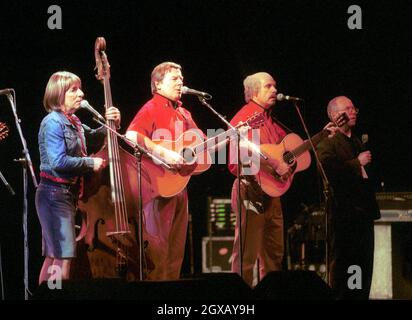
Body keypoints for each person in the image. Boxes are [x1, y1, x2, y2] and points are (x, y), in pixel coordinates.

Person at [36, 71, 121, 284]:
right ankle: (57, 295)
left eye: (79, 88)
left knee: (54, 255)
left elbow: (92, 137)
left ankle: (45, 296)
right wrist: (90, 163)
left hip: (65, 195)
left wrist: (112, 124)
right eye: (73, 90)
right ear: (59, 94)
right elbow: (58, 163)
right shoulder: (52, 122)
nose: (81, 93)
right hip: (53, 195)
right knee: (63, 256)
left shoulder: (72, 121)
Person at [125, 61, 202, 280]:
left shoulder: (184, 113)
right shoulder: (151, 107)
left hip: (179, 186)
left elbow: (200, 144)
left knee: (176, 254)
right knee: (158, 253)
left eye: (182, 79)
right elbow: (131, 136)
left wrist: (229, 137)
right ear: (158, 85)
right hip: (157, 188)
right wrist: (164, 153)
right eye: (174, 79)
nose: (181, 83)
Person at [228, 72, 291, 287]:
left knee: (274, 257)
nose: (275, 90)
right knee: (245, 257)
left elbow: (286, 150)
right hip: (251, 190)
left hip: (273, 193)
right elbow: (235, 163)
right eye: (268, 86)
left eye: (275, 85)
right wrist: (272, 164)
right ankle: (239, 304)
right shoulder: (244, 119)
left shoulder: (271, 121)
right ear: (254, 91)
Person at [316, 96, 380, 299]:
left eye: (354, 108)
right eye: (347, 108)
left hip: (363, 214)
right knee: (345, 267)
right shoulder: (328, 143)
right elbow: (329, 171)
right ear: (335, 115)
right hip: (344, 217)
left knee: (363, 267)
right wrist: (356, 163)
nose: (353, 112)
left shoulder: (357, 142)